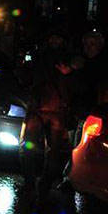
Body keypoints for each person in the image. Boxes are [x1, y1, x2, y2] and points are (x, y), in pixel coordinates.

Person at [19, 30, 73, 199]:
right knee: (41, 149)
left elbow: (24, 79)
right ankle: (37, 185)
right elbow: (25, 79)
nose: (55, 40)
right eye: (53, 37)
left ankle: (38, 185)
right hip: (42, 109)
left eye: (58, 37)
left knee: (44, 149)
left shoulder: (61, 57)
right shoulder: (45, 56)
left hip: (49, 110)